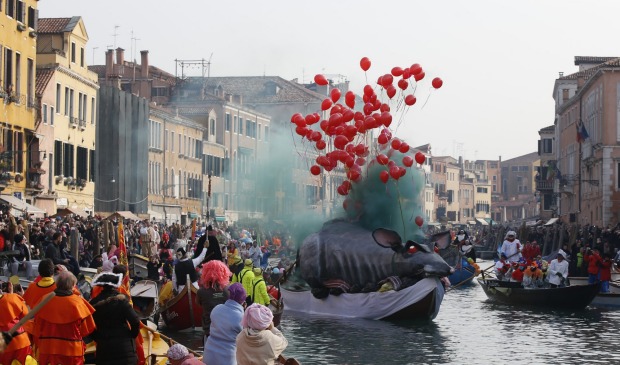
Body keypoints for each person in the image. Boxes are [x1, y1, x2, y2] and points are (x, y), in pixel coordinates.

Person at [31, 271, 97, 365]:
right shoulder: (78, 303)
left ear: (57, 284)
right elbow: (86, 330)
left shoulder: (44, 301)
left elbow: (37, 328)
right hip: (72, 351)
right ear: (73, 285)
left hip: (48, 349)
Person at [89, 272, 141, 365]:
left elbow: (89, 326)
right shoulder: (122, 301)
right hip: (125, 349)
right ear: (116, 286)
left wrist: (98, 338)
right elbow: (135, 321)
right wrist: (131, 335)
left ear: (102, 286)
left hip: (104, 349)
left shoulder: (93, 303)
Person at [203, 283, 246, 365]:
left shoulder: (217, 308)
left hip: (208, 354)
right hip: (228, 358)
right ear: (243, 301)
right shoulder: (241, 317)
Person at [0, 282, 35, 365]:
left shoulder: (10, 298)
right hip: (20, 341)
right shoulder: (12, 298)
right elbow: (26, 315)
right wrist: (13, 295)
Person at [196, 260, 230, 340]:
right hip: (225, 331)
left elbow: (198, 303)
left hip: (209, 330)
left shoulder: (201, 291)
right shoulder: (228, 291)